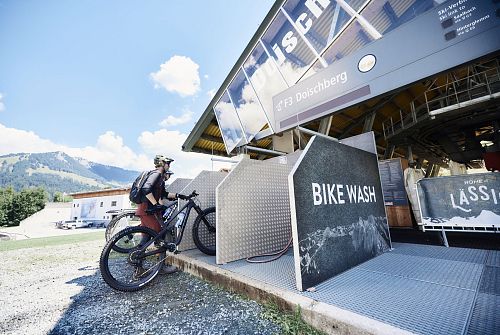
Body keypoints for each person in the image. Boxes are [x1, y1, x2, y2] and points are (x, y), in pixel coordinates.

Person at [135, 154, 178, 274]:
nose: (169, 166)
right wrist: (155, 204)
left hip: (145, 210)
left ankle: (138, 267)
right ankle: (161, 266)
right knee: (160, 235)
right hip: (148, 210)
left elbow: (163, 194)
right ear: (162, 163)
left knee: (146, 237)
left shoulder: (159, 178)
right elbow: (145, 189)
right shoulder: (157, 174)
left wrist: (179, 196)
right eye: (168, 163)